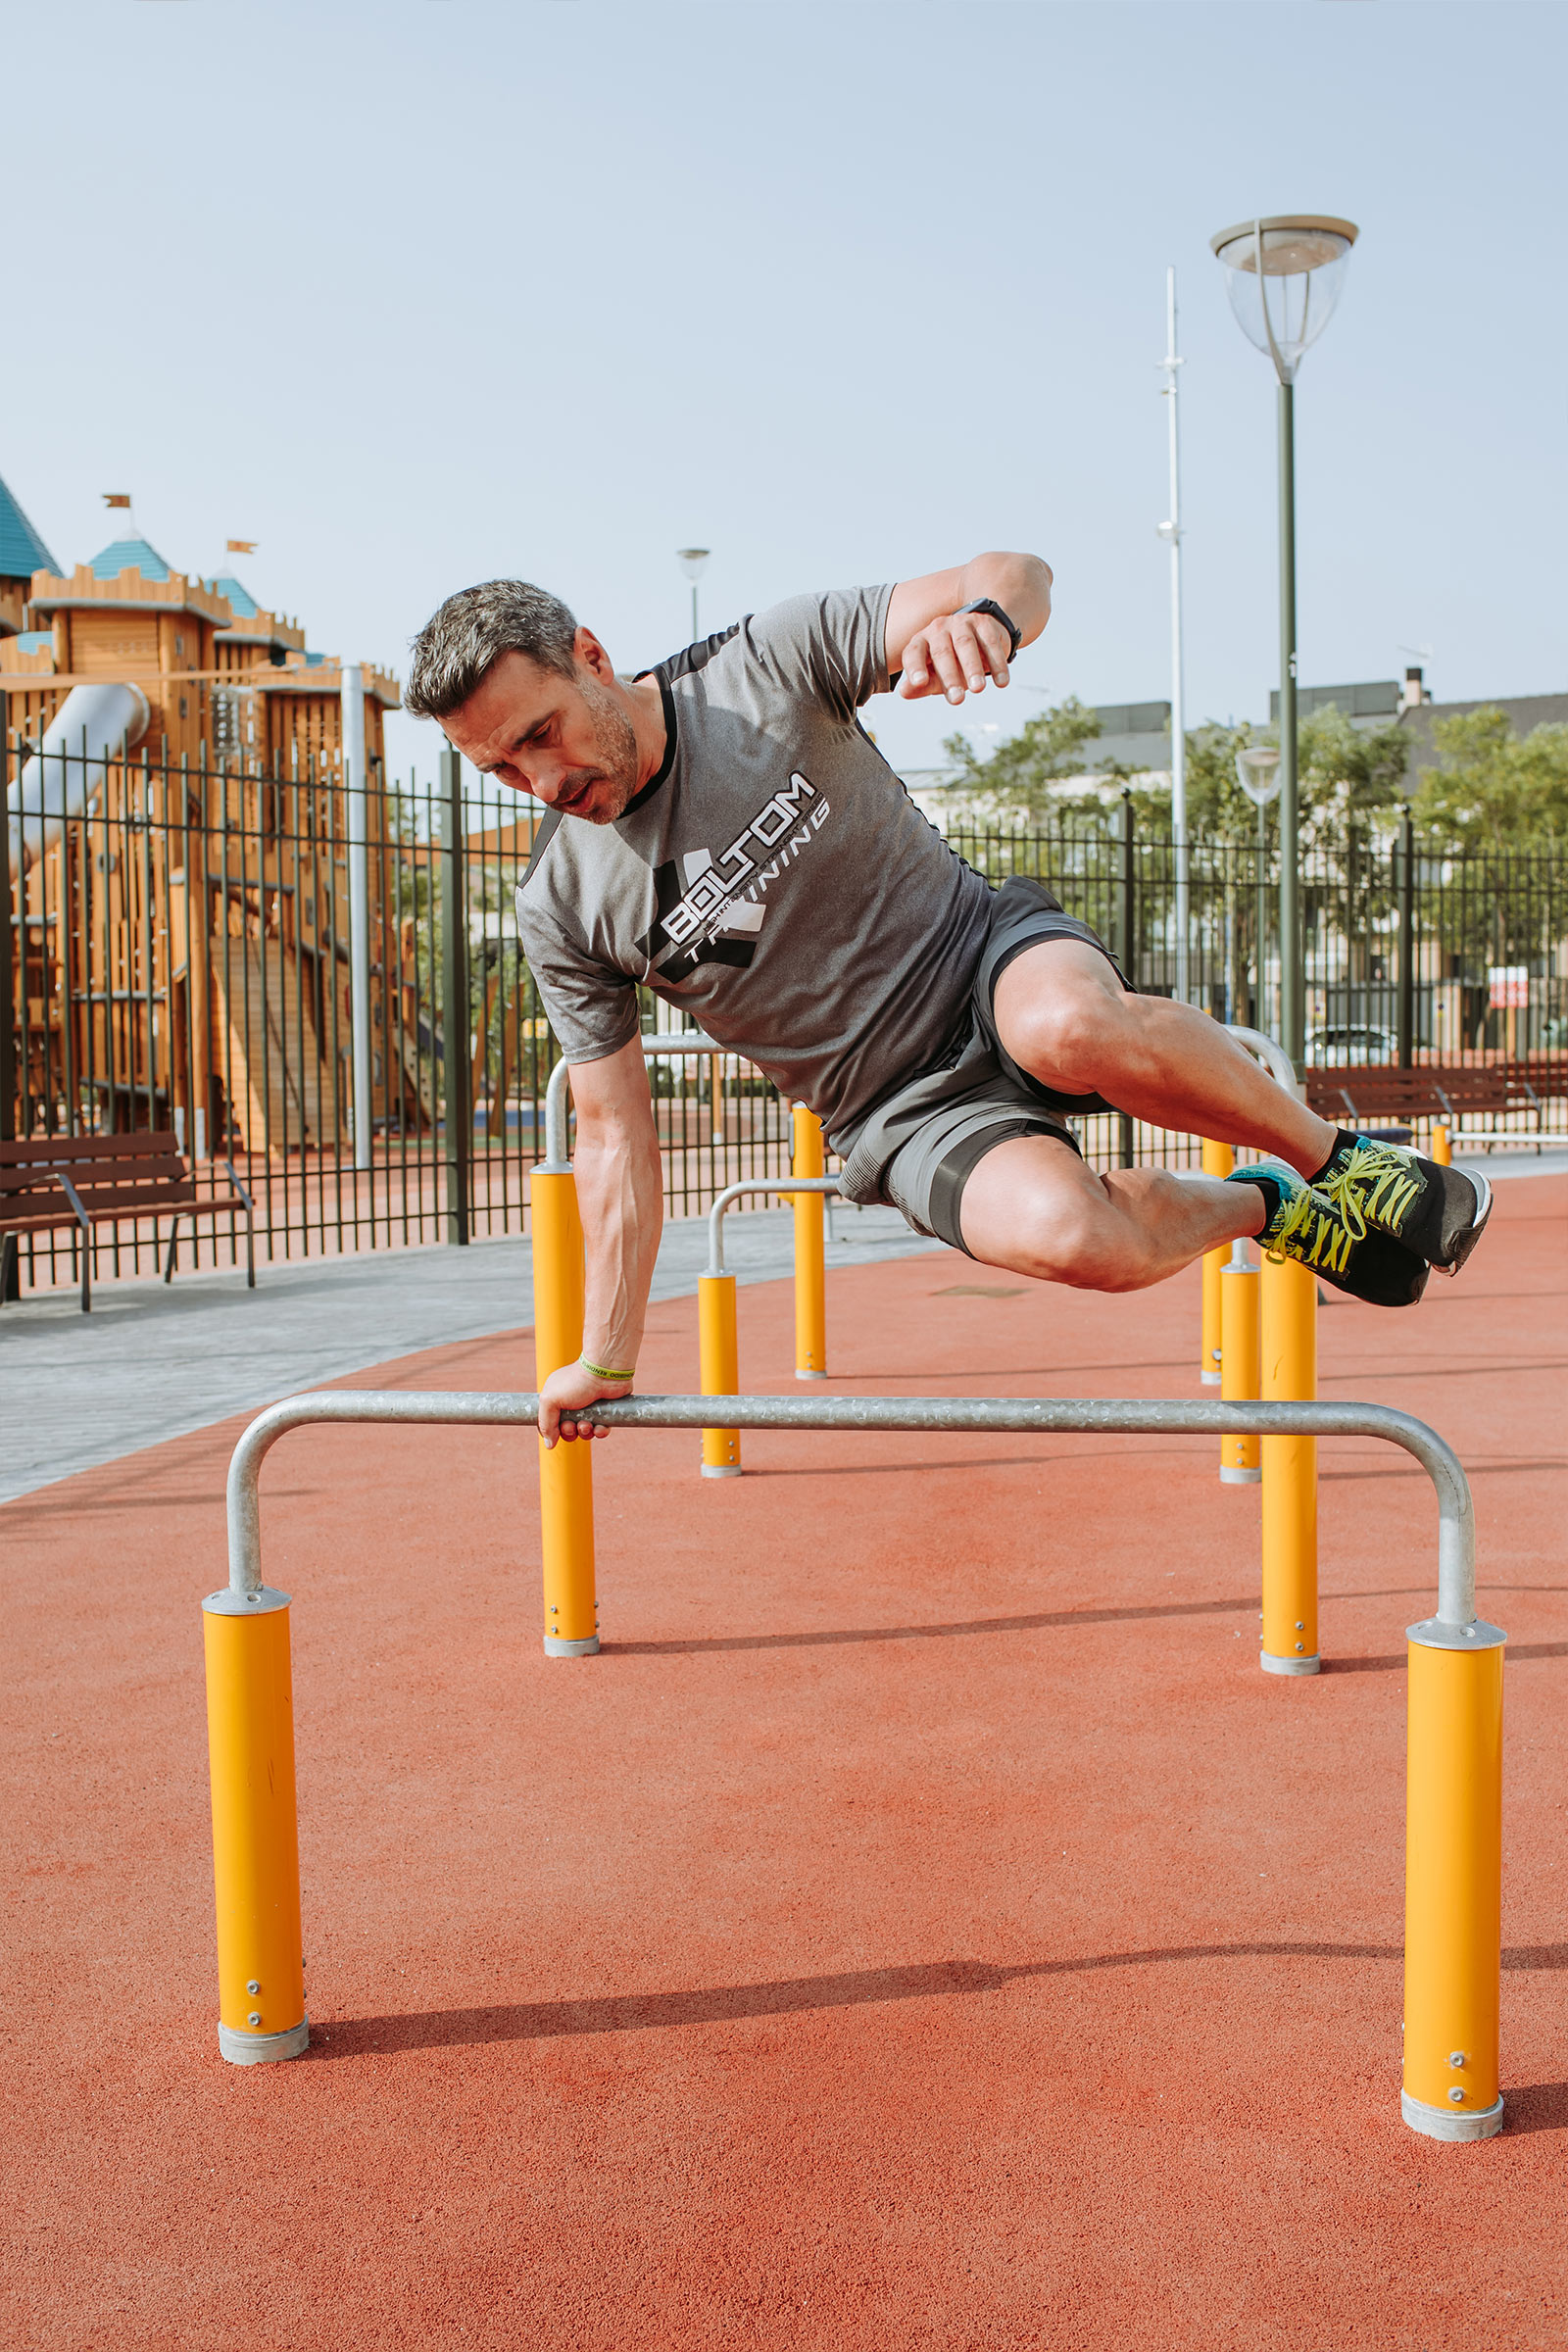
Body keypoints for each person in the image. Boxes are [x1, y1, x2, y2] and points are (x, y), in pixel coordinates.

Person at [404, 559, 1491, 1445]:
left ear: (589, 658)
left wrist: (985, 620)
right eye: (500, 769)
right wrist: (605, 1355)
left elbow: (1019, 572)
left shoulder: (763, 661)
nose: (541, 784)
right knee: (1075, 1241)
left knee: (1065, 1028)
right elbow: (610, 1139)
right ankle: (1270, 1202)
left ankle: (1341, 1163)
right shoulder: (561, 903)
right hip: (895, 1110)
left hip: (978, 956)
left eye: (540, 733)